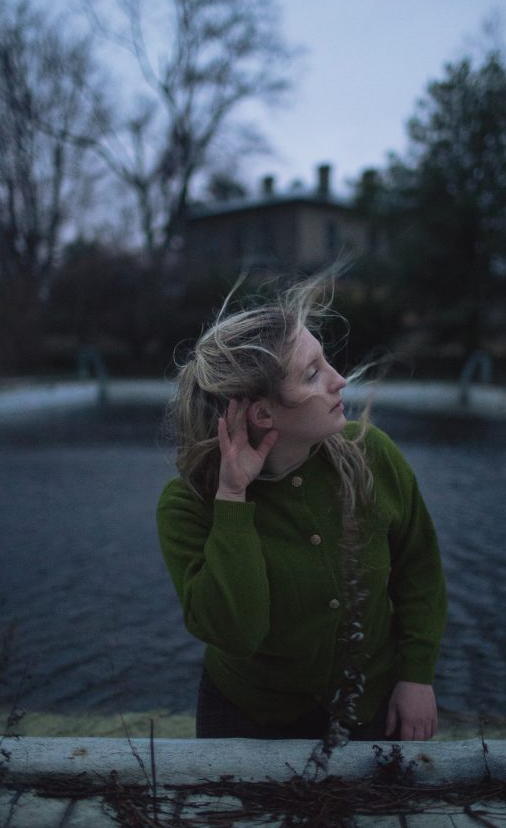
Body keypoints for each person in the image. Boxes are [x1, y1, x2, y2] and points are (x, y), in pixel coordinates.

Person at [157, 273, 447, 741]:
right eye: (313, 373)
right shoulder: (188, 507)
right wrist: (233, 499)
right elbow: (237, 633)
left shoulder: (373, 455)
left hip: (369, 706)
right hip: (247, 721)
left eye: (325, 361)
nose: (339, 380)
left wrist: (417, 675)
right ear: (263, 413)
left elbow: (419, 569)